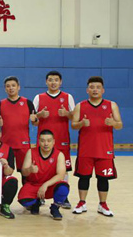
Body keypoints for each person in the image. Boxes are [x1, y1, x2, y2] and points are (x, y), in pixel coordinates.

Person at [71, 76, 122, 217]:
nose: (95, 90)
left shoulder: (112, 105)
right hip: (85, 150)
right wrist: (81, 123)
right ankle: (82, 203)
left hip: (104, 150)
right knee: (84, 177)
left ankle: (102, 204)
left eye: (98, 87)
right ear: (87, 90)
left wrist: (113, 123)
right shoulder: (80, 106)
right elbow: (73, 125)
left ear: (103, 90)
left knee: (103, 178)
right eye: (92, 87)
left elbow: (120, 125)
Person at [33, 70, 74, 208]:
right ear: (46, 82)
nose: (53, 82)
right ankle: (40, 196)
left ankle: (64, 197)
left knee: (64, 169)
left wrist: (67, 113)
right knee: (41, 168)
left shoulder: (68, 97)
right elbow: (33, 120)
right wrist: (39, 115)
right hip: (44, 141)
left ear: (60, 82)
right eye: (50, 80)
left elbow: (75, 118)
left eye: (56, 80)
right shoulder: (38, 97)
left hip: (62, 139)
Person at [19, 130, 70, 220]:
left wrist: (45, 185)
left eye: (49, 141)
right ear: (39, 141)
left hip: (50, 186)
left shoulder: (59, 155)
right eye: (42, 141)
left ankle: (55, 207)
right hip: (34, 185)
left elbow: (61, 175)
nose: (46, 144)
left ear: (53, 142)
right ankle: (36, 202)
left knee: (63, 188)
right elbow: (24, 172)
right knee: (24, 200)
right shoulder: (31, 152)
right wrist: (30, 169)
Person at [0, 76, 36, 170]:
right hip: (6, 144)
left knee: (25, 172)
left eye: (13, 85)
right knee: (4, 171)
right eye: (8, 86)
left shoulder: (28, 103)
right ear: (5, 89)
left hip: (23, 144)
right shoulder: (0, 104)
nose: (11, 88)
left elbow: (36, 123)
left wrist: (34, 120)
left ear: (18, 87)